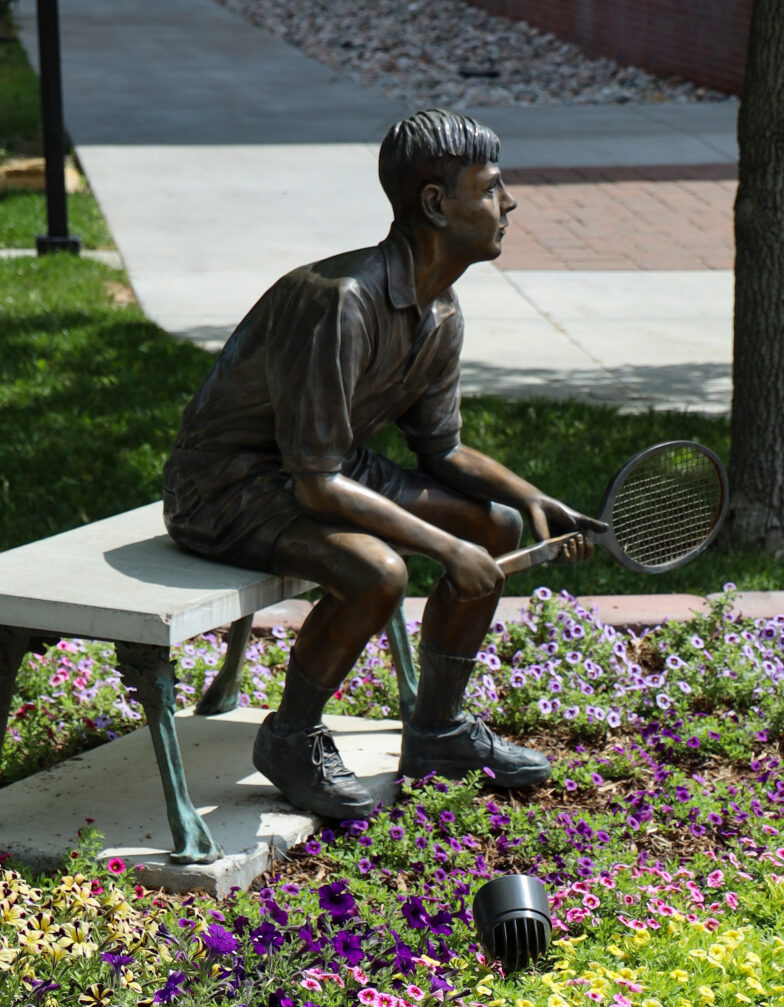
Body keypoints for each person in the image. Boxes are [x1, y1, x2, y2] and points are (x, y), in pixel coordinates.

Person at [163, 106, 598, 824]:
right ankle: (291, 739)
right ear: (435, 203)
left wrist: (532, 499)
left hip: (324, 468)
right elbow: (315, 482)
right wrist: (443, 547)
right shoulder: (342, 301)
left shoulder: (441, 309)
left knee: (495, 523)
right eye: (490, 188)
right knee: (380, 571)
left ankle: (438, 734)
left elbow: (443, 450)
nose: (508, 203)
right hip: (226, 486)